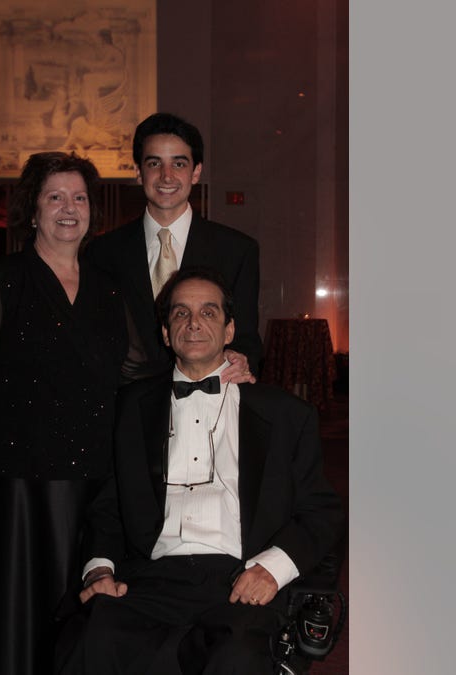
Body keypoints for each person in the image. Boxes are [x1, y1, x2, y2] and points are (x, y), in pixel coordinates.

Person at [60, 267, 345, 675]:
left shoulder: (284, 415)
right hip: (151, 577)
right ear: (164, 332)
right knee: (88, 639)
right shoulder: (129, 409)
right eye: (180, 313)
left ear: (230, 331)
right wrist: (101, 569)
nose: (194, 323)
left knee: (236, 659)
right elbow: (108, 507)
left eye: (209, 313)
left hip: (241, 579)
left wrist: (272, 569)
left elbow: (322, 511)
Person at [0, 152, 143, 674]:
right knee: (16, 621)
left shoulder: (108, 288)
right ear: (33, 211)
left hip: (94, 484)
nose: (69, 208)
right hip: (17, 489)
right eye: (55, 197)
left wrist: (218, 368)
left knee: (87, 614)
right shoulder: (2, 280)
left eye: (79, 198)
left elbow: (141, 371)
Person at [83, 112, 264, 375]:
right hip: (125, 406)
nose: (166, 176)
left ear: (196, 172)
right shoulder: (102, 253)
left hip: (209, 403)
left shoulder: (237, 250)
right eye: (154, 163)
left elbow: (246, 336)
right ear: (138, 172)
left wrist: (242, 358)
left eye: (178, 164)